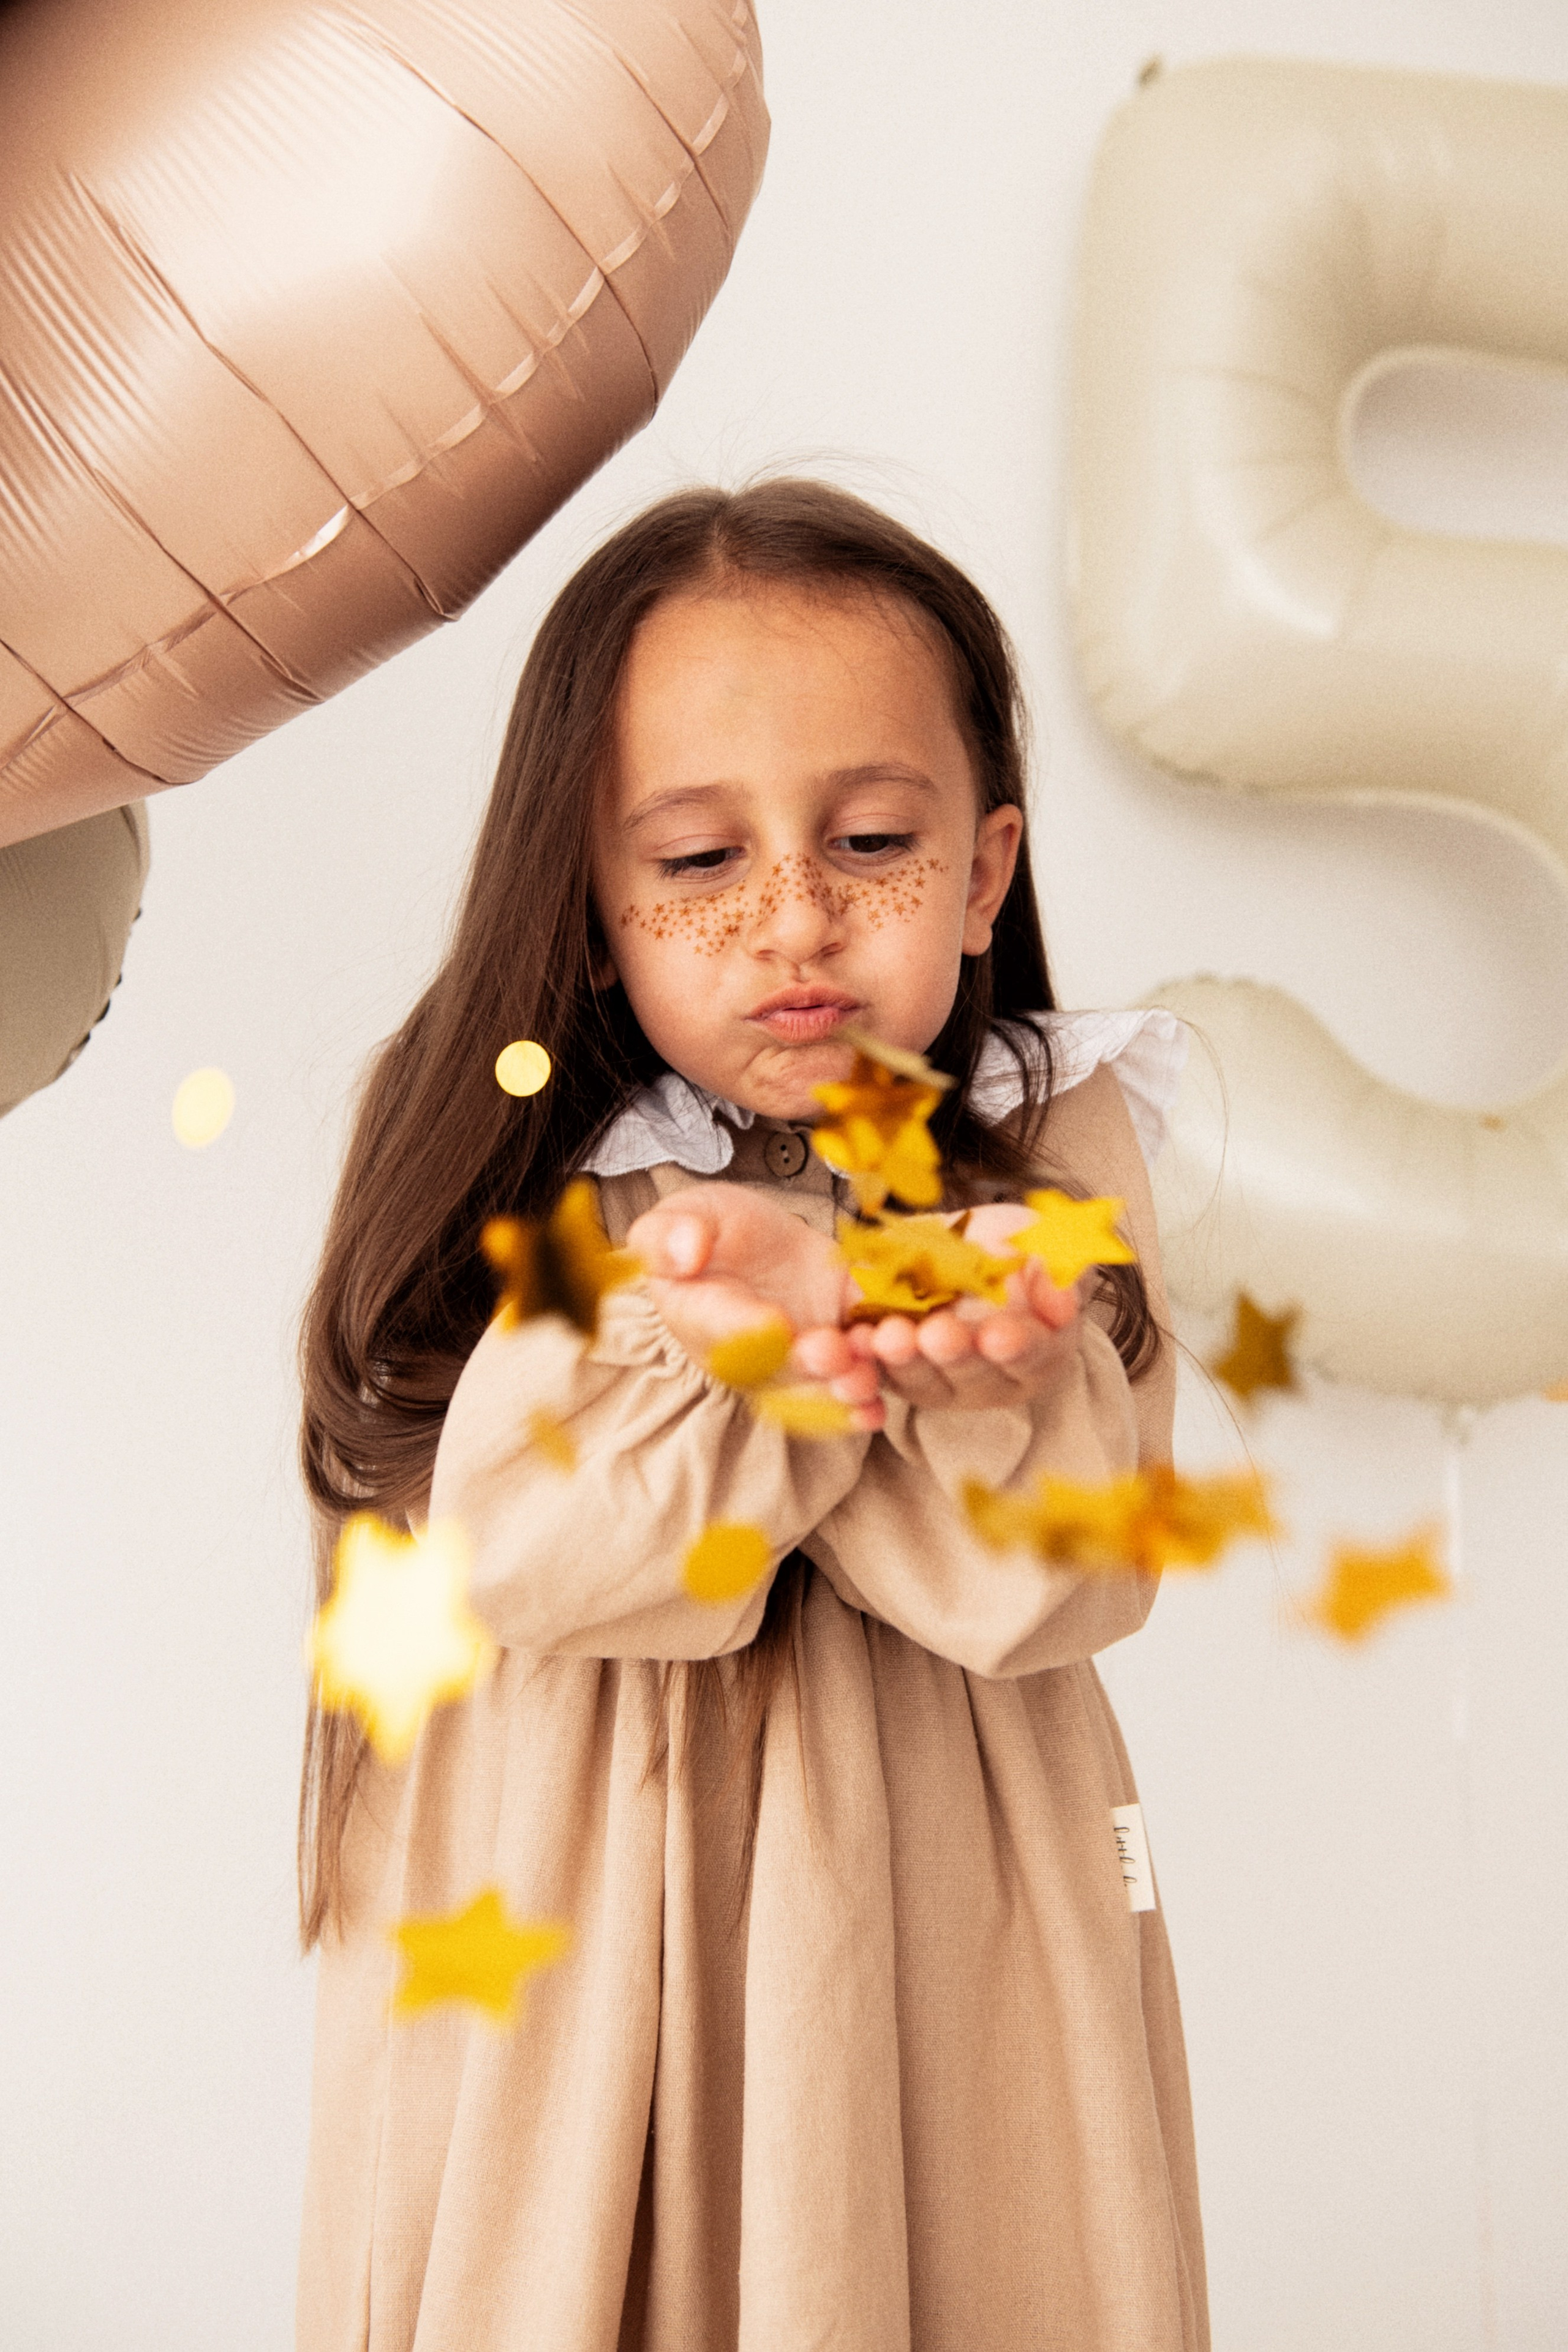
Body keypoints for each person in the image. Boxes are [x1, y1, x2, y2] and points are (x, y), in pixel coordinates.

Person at [294, 479, 1207, 2352]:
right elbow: (537, 1550)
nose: (793, 913)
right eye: (699, 863)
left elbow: (1048, 1584)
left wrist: (889, 1307)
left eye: (870, 838)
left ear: (983, 871)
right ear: (593, 894)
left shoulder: (1043, 1161)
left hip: (949, 1961)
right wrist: (757, 1329)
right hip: (572, 1963)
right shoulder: (533, 1163)